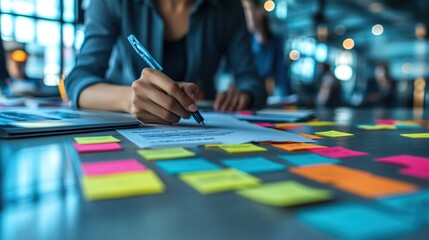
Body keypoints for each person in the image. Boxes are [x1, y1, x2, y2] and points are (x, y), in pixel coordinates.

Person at [66, 0, 266, 125]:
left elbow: (252, 81)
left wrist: (244, 95)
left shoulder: (229, 7)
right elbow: (79, 80)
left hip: (203, 132)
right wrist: (129, 99)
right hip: (126, 130)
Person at [240, 0, 291, 97]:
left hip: (270, 99)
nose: (243, 14)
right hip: (248, 97)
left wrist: (286, 100)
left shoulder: (276, 42)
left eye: (246, 9)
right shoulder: (242, 42)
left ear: (260, 11)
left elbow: (282, 77)